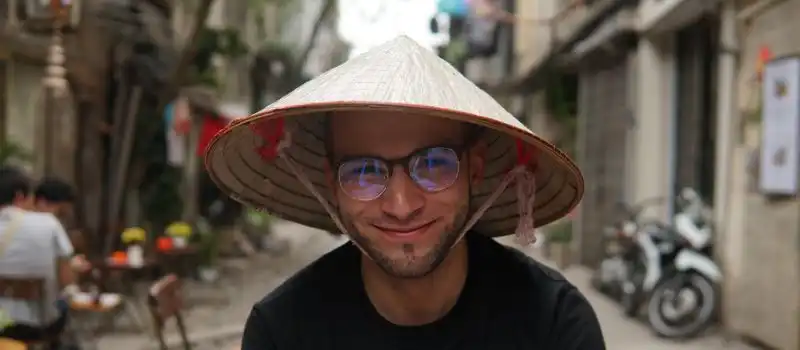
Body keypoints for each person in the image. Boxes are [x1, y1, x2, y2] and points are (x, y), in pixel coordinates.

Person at [205, 36, 604, 349]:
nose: (401, 205)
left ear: (475, 172)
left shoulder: (554, 324)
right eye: (363, 172)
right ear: (332, 184)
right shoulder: (283, 332)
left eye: (433, 165)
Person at [0, 169, 79, 347]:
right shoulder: (48, 223)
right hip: (36, 325)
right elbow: (67, 281)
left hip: (0, 324)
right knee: (63, 311)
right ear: (19, 196)